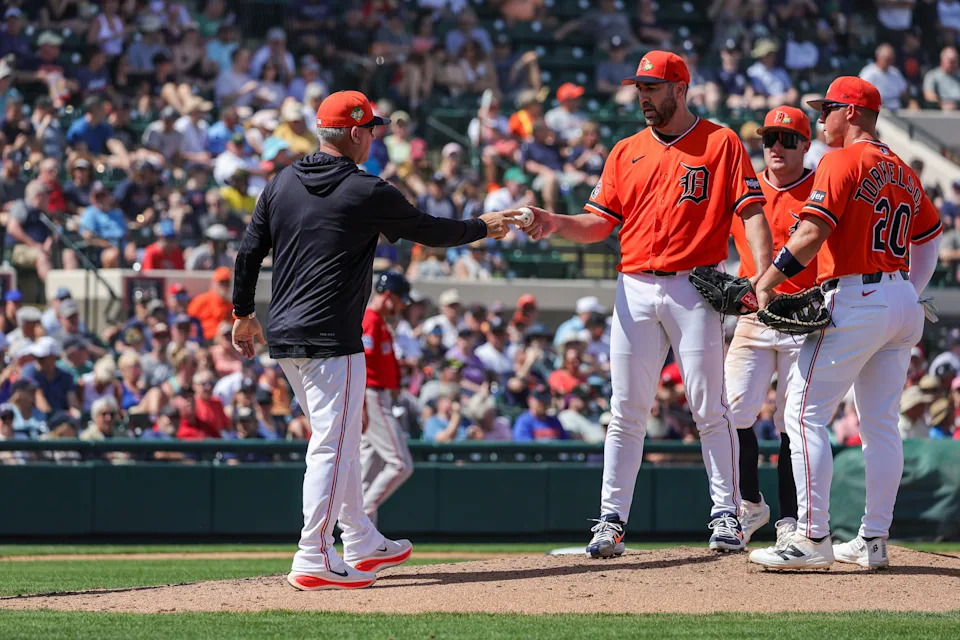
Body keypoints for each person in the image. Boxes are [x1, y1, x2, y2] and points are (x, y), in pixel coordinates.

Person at [230, 90, 522, 591]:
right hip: (330, 338)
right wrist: (483, 227)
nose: (375, 137)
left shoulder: (282, 182)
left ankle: (360, 538)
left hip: (285, 336)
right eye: (372, 130)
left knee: (340, 441)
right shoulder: (366, 189)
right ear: (358, 133)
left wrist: (242, 313)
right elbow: (430, 231)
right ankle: (313, 554)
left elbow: (249, 250)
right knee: (332, 445)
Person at [519, 51, 773, 558]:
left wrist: (762, 277)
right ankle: (611, 520)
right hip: (633, 284)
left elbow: (752, 214)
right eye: (640, 87)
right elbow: (598, 222)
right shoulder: (625, 150)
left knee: (709, 407)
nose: (643, 96)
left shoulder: (721, 143)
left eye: (653, 87)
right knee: (625, 411)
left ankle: (726, 513)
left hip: (694, 285)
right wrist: (554, 222)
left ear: (680, 88)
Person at [748, 77, 943, 570]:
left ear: (852, 113)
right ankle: (873, 540)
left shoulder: (839, 161)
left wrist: (767, 282)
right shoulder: (900, 166)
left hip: (858, 296)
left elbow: (811, 232)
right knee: (881, 426)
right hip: (900, 299)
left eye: (827, 109)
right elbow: (931, 236)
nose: (820, 118)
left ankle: (813, 539)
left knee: (802, 414)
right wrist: (910, 292)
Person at [726, 106, 817, 547]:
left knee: (792, 422)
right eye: (769, 139)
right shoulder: (747, 188)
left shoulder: (821, 187)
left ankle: (790, 522)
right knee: (731, 411)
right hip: (753, 313)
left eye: (787, 138)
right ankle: (750, 504)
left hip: (805, 316)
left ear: (806, 144)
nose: (776, 146)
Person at [360, 272, 415, 525]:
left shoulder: (380, 322)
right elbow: (360, 363)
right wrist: (360, 404)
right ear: (389, 295)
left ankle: (362, 539)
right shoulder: (370, 320)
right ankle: (362, 513)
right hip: (372, 396)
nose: (403, 305)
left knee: (366, 473)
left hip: (378, 396)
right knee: (401, 464)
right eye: (401, 299)